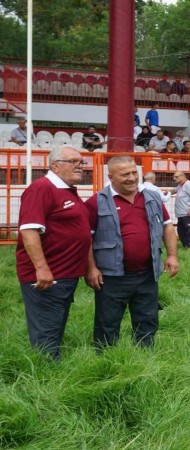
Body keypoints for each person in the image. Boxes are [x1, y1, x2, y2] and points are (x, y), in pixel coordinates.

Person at [85, 157, 179, 350]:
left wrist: (172, 255)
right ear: (110, 177)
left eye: (134, 173)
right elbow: (86, 238)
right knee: (107, 322)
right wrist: (91, 268)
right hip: (111, 276)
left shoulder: (151, 198)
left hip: (147, 274)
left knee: (147, 319)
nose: (131, 178)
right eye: (125, 174)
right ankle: (105, 360)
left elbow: (167, 227)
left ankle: (144, 357)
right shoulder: (97, 202)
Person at [16, 147, 91, 360]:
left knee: (55, 324)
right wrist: (41, 268)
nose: (80, 166)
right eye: (73, 161)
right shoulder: (41, 188)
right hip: (49, 277)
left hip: (63, 275)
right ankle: (45, 377)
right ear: (55, 165)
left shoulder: (66, 190)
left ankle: (49, 365)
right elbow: (29, 230)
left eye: (81, 162)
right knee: (47, 330)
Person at [172, 172, 190, 248]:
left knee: (189, 232)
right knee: (181, 232)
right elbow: (173, 191)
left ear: (182, 177)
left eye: (176, 177)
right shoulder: (180, 186)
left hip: (188, 214)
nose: (174, 178)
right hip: (181, 215)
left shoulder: (189, 185)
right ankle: (186, 247)